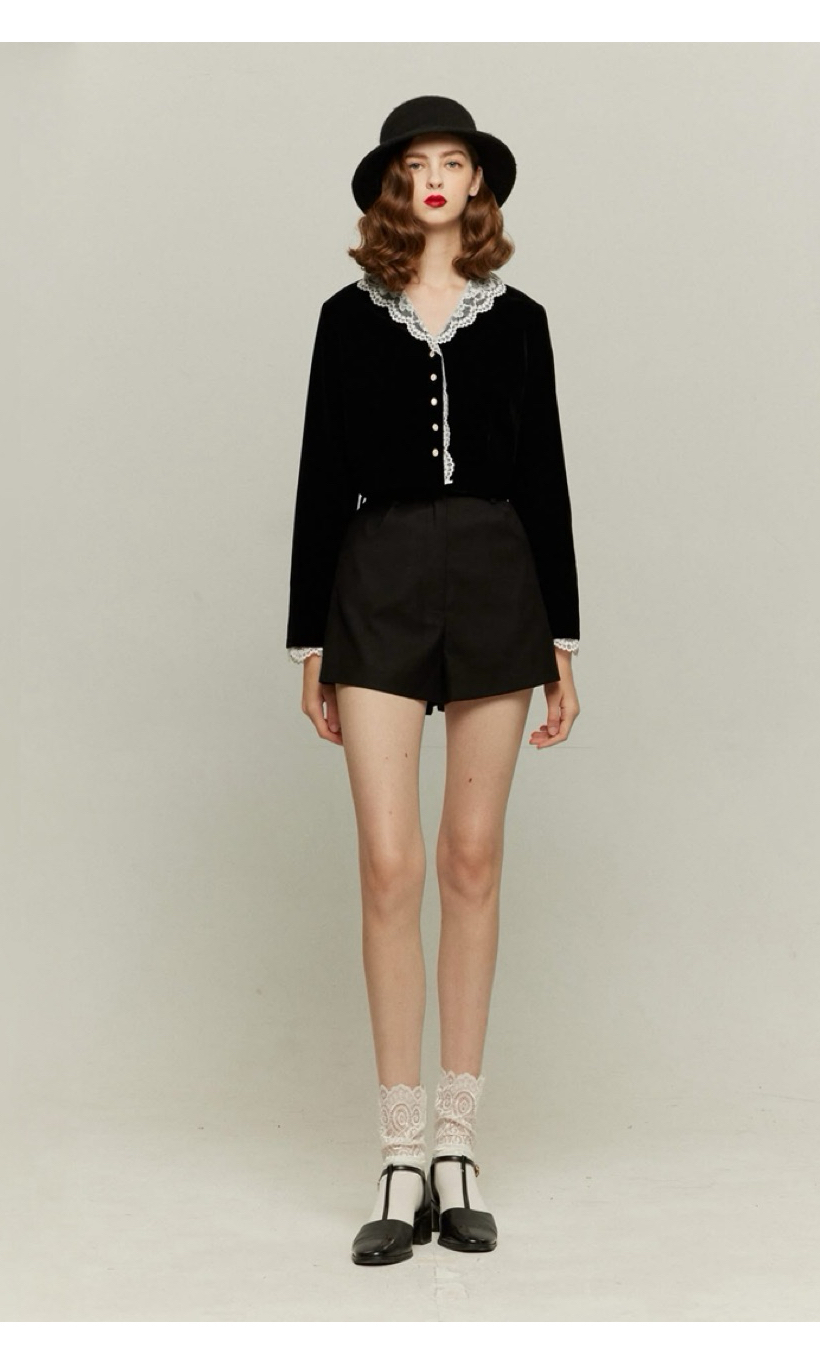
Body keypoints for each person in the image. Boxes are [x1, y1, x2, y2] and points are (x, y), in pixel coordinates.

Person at [284, 95, 582, 1265]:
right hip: (377, 581)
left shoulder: (523, 321)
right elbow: (320, 472)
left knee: (469, 858)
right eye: (418, 164)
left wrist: (563, 642)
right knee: (388, 862)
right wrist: (309, 638)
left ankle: (458, 1146)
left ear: (477, 184)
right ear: (393, 188)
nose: (438, 178)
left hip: (499, 582)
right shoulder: (343, 319)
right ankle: (398, 1152)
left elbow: (545, 474)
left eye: (454, 161)